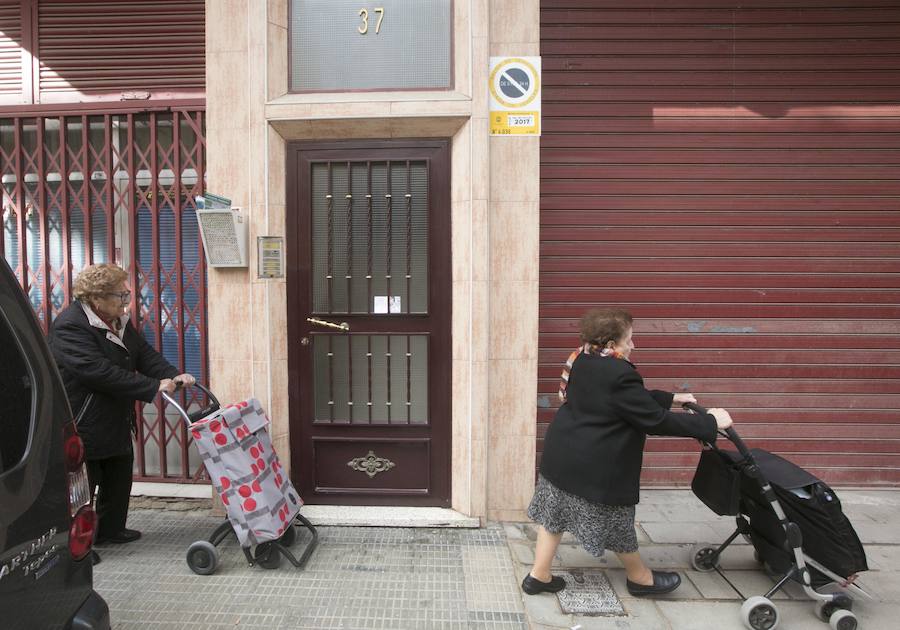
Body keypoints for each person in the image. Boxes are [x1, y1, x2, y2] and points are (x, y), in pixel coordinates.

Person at [522, 308, 733, 598]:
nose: (634, 345)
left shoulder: (582, 358)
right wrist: (710, 423)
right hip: (595, 467)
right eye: (629, 340)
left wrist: (671, 397)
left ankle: (538, 576)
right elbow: (654, 420)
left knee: (553, 517)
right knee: (618, 525)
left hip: (563, 456)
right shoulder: (619, 373)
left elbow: (622, 400)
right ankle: (640, 578)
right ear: (610, 344)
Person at [48, 263, 194, 560]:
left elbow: (144, 355)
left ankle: (111, 530)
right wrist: (153, 386)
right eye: (121, 295)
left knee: (118, 475)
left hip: (114, 415)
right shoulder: (71, 325)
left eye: (126, 294)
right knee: (82, 489)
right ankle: (79, 548)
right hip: (84, 419)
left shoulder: (118, 320)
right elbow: (97, 372)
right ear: (97, 297)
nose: (126, 300)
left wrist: (173, 375)